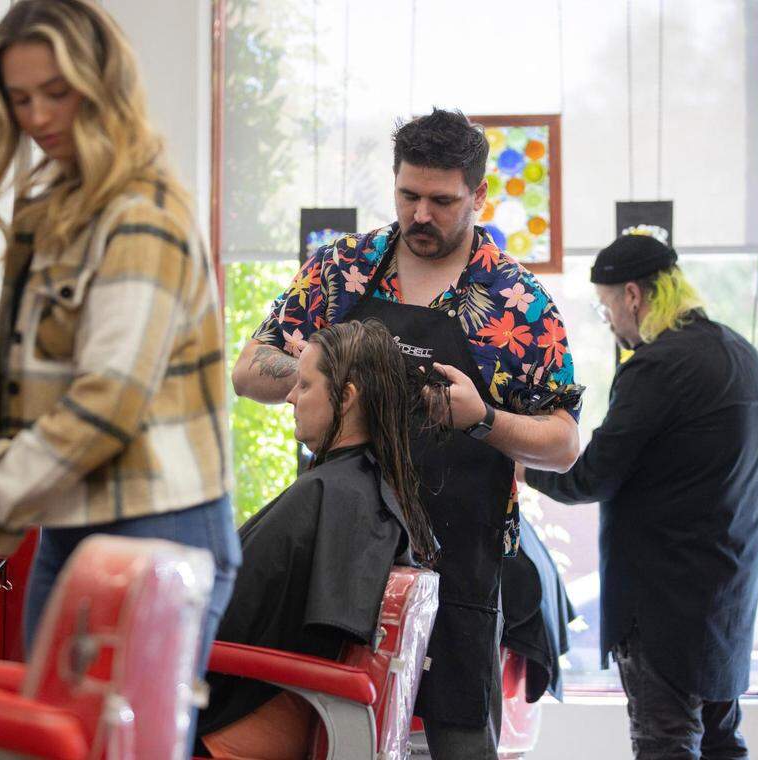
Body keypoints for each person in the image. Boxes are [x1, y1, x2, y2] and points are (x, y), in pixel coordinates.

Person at [0, 0, 239, 719]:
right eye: (20, 99)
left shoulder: (142, 216)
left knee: (107, 746)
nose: (38, 116)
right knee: (56, 736)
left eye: (56, 92)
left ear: (102, 85)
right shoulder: (61, 206)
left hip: (159, 523)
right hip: (76, 515)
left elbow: (106, 403)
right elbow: (63, 370)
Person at [232, 108, 583, 759]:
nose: (421, 215)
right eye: (408, 195)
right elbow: (249, 369)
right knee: (331, 730)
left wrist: (481, 419)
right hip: (339, 554)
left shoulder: (517, 301)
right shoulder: (343, 270)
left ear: (478, 195)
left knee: (461, 742)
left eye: (442, 201)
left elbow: (564, 444)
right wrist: (318, 374)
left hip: (461, 566)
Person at [520, 234, 758, 760]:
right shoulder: (740, 354)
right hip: (727, 601)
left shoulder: (656, 367)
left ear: (632, 295)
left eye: (606, 306)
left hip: (662, 609)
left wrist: (521, 464)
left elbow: (590, 477)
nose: (610, 320)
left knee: (666, 747)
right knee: (723, 745)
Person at [198, 319, 438, 759]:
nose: (290, 396)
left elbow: (227, 619)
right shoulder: (369, 492)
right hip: (277, 709)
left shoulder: (330, 495)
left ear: (346, 398)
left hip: (241, 725)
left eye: (305, 385)